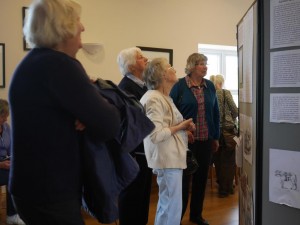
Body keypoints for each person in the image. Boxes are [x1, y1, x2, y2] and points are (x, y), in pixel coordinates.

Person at [8, 0, 121, 224]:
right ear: (62, 27)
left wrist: (85, 112)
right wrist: (93, 106)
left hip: (31, 187)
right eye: (77, 21)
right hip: (51, 190)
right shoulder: (59, 65)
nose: (83, 27)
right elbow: (110, 123)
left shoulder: (34, 62)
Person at [140, 58, 195, 225]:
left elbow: (168, 124)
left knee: (169, 205)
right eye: (171, 67)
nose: (175, 70)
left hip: (171, 158)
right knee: (171, 207)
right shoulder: (154, 98)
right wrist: (181, 127)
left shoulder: (164, 97)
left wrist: (183, 128)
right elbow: (155, 134)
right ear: (163, 74)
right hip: (166, 159)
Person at [170, 53, 220, 225]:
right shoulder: (179, 86)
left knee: (201, 179)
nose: (205, 66)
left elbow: (215, 112)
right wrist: (183, 130)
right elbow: (171, 113)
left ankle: (196, 215)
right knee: (184, 182)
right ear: (191, 66)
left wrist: (216, 137)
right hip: (185, 142)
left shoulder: (210, 86)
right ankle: (178, 216)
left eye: (206, 63)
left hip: (206, 140)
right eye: (200, 63)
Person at [116, 47, 152, 225]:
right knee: (131, 196)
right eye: (140, 57)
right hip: (134, 152)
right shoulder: (125, 88)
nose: (145, 59)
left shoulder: (143, 86)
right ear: (131, 67)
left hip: (144, 150)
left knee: (143, 195)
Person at [210, 74, 238, 198]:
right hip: (227, 132)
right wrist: (230, 118)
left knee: (218, 160)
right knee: (229, 161)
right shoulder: (226, 93)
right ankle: (226, 188)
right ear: (221, 83)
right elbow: (235, 110)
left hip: (214, 132)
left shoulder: (209, 94)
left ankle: (222, 186)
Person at [0, 99, 25, 225]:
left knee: (21, 173)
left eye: (6, 116)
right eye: (3, 116)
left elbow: (11, 149)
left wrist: (13, 159)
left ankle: (17, 213)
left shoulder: (6, 127)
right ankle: (11, 215)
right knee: (11, 178)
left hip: (6, 162)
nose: (5, 119)